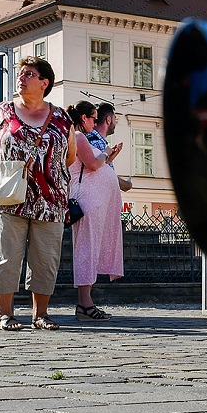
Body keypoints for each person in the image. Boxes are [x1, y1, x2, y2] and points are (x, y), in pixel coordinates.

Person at [0, 56, 76, 331]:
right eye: (20, 73)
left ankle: (40, 314)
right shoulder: (3, 111)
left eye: (29, 74)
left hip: (51, 200)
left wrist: (47, 175)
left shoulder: (61, 118)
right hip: (8, 199)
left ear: (45, 83)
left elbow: (69, 157)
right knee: (6, 256)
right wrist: (7, 174)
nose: (21, 77)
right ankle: (4, 314)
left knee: (46, 259)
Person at [66, 101, 124, 322]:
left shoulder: (80, 137)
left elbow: (94, 165)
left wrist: (108, 157)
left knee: (90, 249)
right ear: (84, 118)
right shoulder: (79, 136)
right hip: (88, 199)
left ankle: (86, 302)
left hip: (93, 199)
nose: (95, 122)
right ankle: (84, 304)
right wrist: (106, 152)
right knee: (86, 250)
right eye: (93, 118)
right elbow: (91, 164)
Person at [92, 103, 133, 192]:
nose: (115, 123)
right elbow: (106, 176)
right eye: (115, 118)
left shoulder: (89, 138)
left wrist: (109, 159)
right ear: (108, 120)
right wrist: (127, 185)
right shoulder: (99, 143)